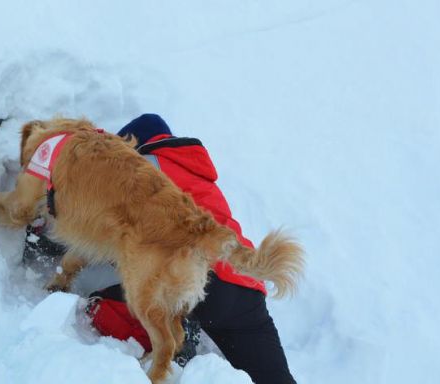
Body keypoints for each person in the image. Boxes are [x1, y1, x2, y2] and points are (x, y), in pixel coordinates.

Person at [23, 114, 296, 383]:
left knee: (99, 311)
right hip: (243, 289)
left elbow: (97, 227)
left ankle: (179, 333)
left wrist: (49, 247)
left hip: (186, 274)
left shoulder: (139, 174)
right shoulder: (197, 170)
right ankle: (182, 326)